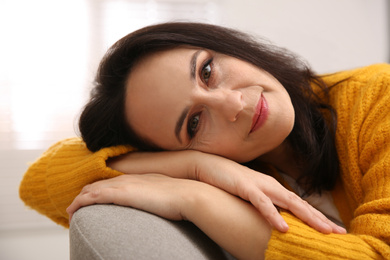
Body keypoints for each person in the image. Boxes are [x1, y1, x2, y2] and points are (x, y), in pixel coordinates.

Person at [19, 22, 390, 259]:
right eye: (194, 124)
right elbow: (38, 183)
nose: (234, 103)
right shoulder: (248, 163)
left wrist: (194, 196)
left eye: (207, 71)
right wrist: (195, 167)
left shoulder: (379, 96)